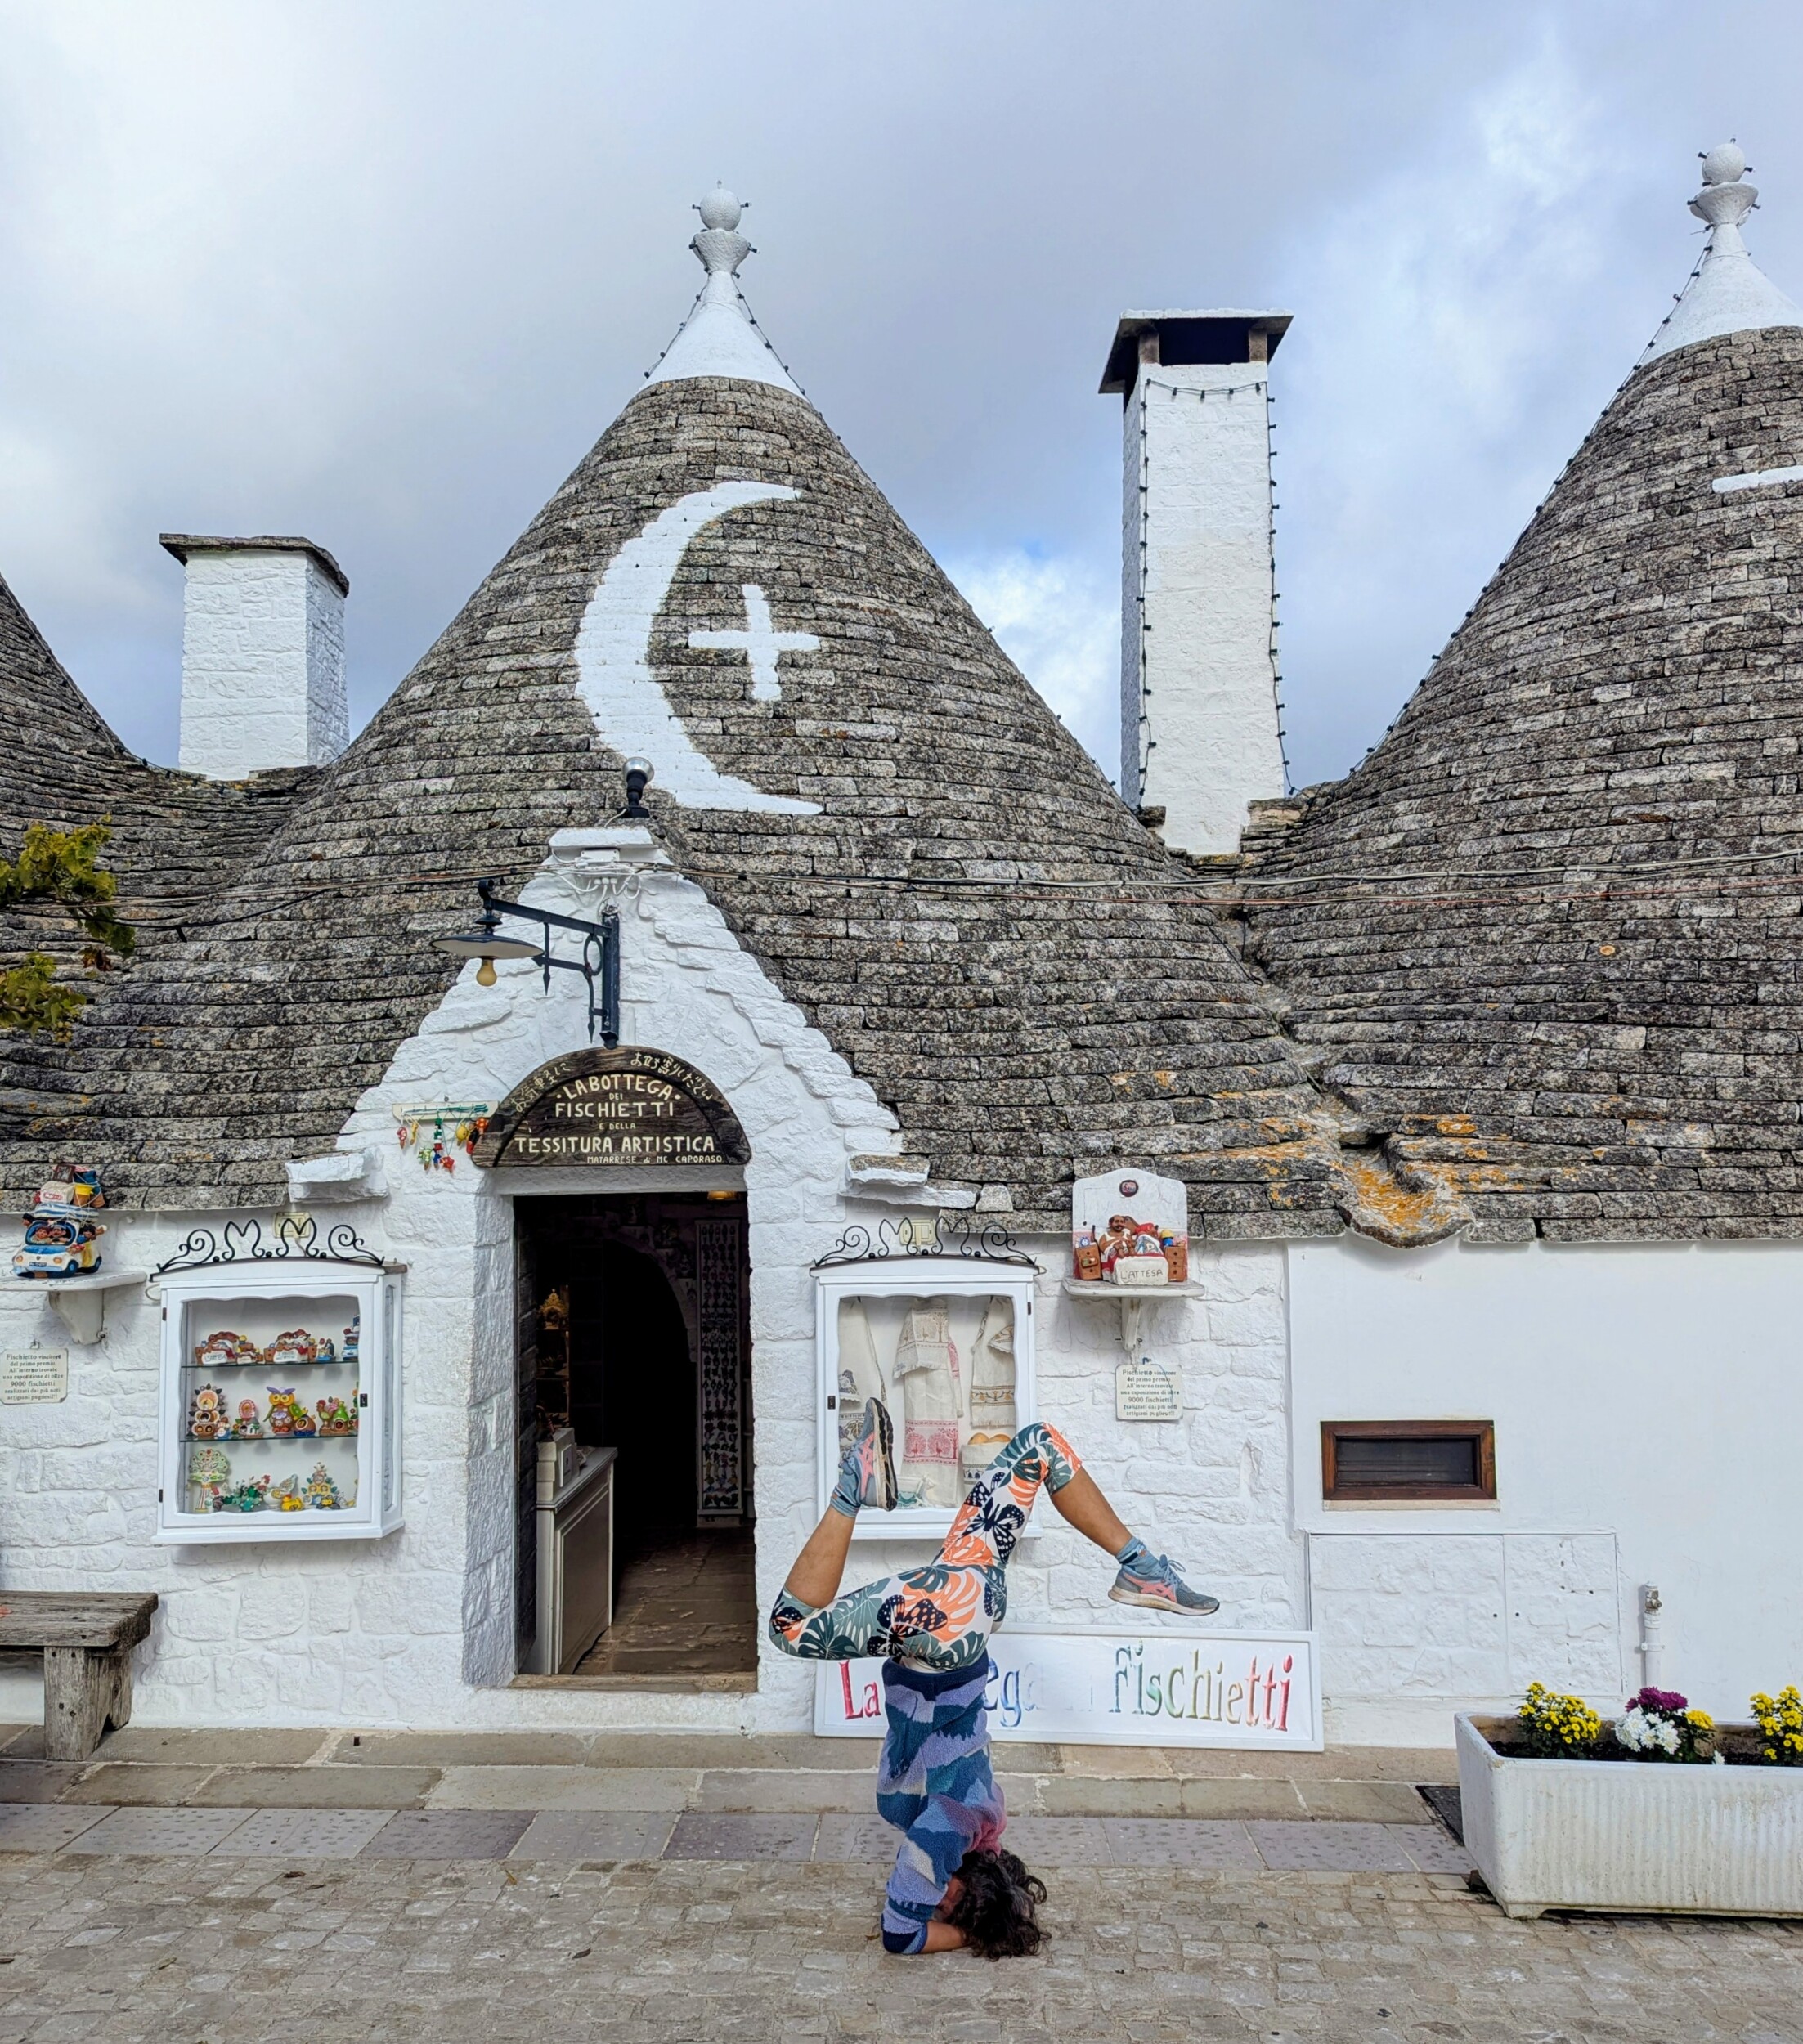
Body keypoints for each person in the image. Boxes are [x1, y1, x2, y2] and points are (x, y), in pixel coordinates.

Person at [769, 1401, 1218, 1957]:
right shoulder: (949, 1830)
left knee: (1040, 1445)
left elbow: (975, 1889)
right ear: (973, 1887)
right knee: (790, 1627)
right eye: (949, 1901)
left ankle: (1142, 1567)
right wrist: (969, 1934)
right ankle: (853, 1485)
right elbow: (900, 1936)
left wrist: (994, 1912)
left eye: (936, 1905)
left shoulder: (987, 1824)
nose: (934, 1897)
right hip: (945, 1628)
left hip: (971, 1595)